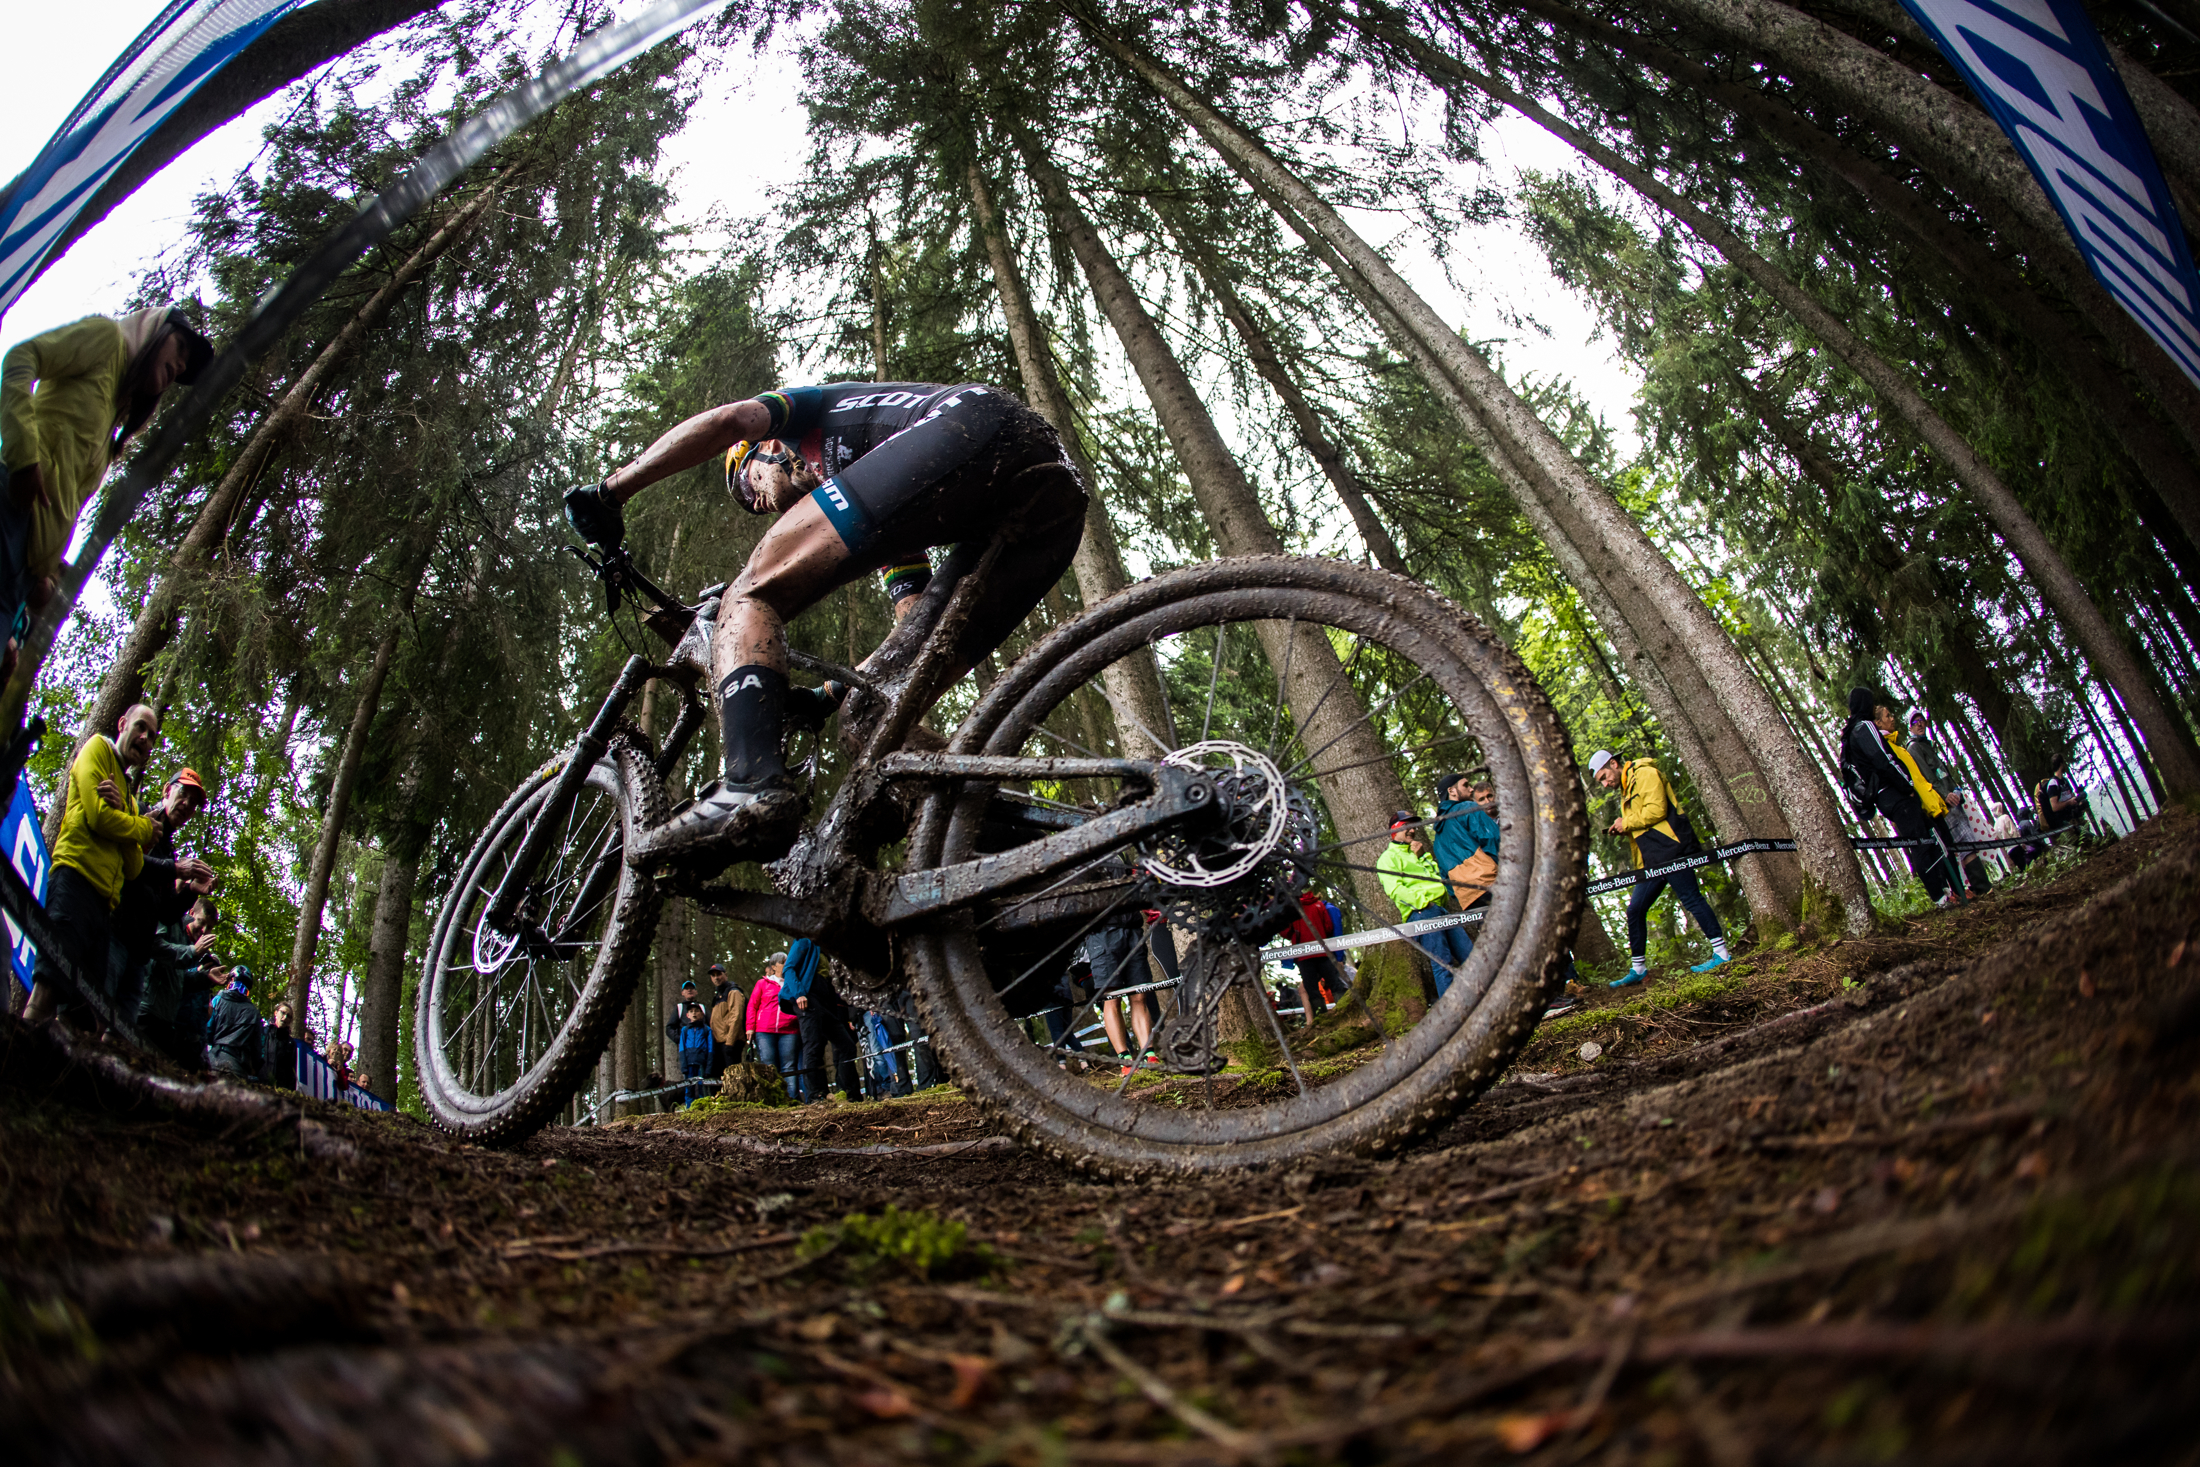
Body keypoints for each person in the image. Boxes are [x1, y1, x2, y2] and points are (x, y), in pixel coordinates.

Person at [561, 380, 1089, 869]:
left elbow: (727, 421)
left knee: (748, 593)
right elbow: (912, 638)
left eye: (747, 487)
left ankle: (750, 783)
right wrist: (828, 696)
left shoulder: (807, 415)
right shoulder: (888, 503)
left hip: (973, 423)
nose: (759, 504)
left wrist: (611, 492)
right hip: (1050, 501)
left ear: (764, 451)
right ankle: (1051, 853)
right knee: (873, 712)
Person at [0, 307, 213, 675]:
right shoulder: (106, 338)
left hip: (21, 571)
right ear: (153, 330)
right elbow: (22, 357)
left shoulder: (113, 417)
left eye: (182, 369)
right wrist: (23, 458)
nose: (178, 367)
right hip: (7, 510)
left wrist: (45, 576)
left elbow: (63, 496)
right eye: (179, 348)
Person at [22, 703, 165, 1028]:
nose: (145, 738)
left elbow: (132, 866)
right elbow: (99, 818)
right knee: (47, 989)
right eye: (141, 727)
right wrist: (141, 827)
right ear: (122, 723)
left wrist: (126, 818)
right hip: (74, 883)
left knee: (83, 1016)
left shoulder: (128, 798)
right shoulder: (97, 749)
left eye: (152, 736)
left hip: (104, 911)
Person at [1586, 750, 1731, 987]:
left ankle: (1722, 955)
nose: (1604, 784)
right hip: (1652, 860)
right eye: (1600, 781)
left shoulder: (1644, 773)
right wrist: (1622, 827)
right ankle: (1639, 969)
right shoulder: (1626, 787)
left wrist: (1627, 823)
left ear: (1613, 763)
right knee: (1635, 910)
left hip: (1671, 849)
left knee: (1691, 899)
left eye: (1604, 776)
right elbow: (1642, 823)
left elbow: (1657, 810)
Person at [112, 767, 217, 1030]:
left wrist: (191, 890)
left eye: (193, 804)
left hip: (139, 951)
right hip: (113, 933)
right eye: (183, 795)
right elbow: (127, 862)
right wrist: (174, 869)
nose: (186, 805)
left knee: (118, 1035)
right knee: (87, 1011)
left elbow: (167, 913)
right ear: (167, 791)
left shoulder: (168, 849)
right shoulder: (139, 813)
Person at [1837, 691, 1958, 905]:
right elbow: (1883, 759)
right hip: (1895, 795)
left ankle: (1945, 892)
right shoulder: (1864, 727)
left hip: (1886, 798)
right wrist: (1907, 785)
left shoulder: (1851, 733)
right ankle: (1940, 897)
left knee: (1924, 839)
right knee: (1920, 842)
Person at [1876, 703, 1969, 905]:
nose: (1892, 718)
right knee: (1928, 849)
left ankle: (1957, 891)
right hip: (1916, 804)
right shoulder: (1885, 747)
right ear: (1877, 722)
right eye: (1887, 715)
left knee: (1945, 846)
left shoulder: (1896, 745)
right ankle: (1945, 896)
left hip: (1928, 802)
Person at [1376, 811, 1471, 997]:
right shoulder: (1387, 858)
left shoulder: (1416, 852)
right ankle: (1452, 1017)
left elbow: (1435, 878)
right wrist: (1423, 904)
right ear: (1395, 830)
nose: (1412, 830)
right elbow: (1395, 890)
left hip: (1440, 909)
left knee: (1470, 955)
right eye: (1406, 826)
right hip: (1422, 913)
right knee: (1442, 963)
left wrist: (1422, 857)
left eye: (1413, 826)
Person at [138, 892, 220, 1068]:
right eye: (202, 922)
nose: (205, 931)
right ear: (191, 913)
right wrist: (192, 951)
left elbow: (180, 980)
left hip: (167, 1019)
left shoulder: (195, 946)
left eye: (210, 927)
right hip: (148, 1008)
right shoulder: (171, 922)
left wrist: (205, 978)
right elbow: (156, 950)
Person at [782, 937, 860, 1102]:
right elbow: (788, 969)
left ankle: (851, 1094)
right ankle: (817, 1095)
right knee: (813, 1046)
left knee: (847, 1046)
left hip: (825, 1002)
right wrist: (799, 993)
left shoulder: (828, 951)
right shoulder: (804, 941)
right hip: (807, 998)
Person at [1077, 919, 1158, 1074]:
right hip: (1101, 934)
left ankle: (1149, 1054)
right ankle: (1125, 1060)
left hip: (1132, 929)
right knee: (1112, 998)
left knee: (1139, 996)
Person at [1433, 772, 1501, 938]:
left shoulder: (1438, 837)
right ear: (1452, 791)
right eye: (1465, 785)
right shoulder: (1467, 809)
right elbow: (1492, 838)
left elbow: (1446, 879)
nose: (1471, 789)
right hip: (1491, 884)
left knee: (1498, 941)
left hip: (1469, 899)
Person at [746, 952, 801, 1095]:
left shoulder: (793, 983)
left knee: (789, 1066)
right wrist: (750, 1028)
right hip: (765, 1031)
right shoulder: (762, 983)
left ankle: (792, 1099)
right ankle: (773, 1098)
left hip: (789, 1030)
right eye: (783, 962)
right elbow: (752, 1006)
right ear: (774, 966)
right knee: (769, 1066)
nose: (786, 965)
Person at [206, 967, 264, 1079]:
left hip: (214, 1059)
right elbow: (257, 1047)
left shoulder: (217, 1001)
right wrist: (255, 1068)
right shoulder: (254, 1012)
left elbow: (208, 1031)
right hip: (238, 1066)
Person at [706, 963, 744, 1078]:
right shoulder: (718, 996)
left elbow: (736, 1016)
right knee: (719, 1078)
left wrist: (730, 1042)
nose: (716, 977)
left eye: (719, 974)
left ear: (725, 975)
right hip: (719, 1042)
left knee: (733, 1078)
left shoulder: (733, 992)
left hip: (731, 1042)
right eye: (713, 975)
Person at [676, 1002, 714, 1107]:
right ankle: (689, 1108)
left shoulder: (707, 1029)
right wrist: (683, 1065)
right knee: (689, 1089)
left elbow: (711, 1049)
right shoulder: (685, 1030)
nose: (694, 1013)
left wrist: (708, 1068)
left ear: (702, 1014)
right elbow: (682, 1048)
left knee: (703, 1087)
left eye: (697, 1011)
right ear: (687, 1015)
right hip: (689, 1063)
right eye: (691, 1011)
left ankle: (704, 1107)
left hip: (702, 1062)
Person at [2033, 761, 2086, 834]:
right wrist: (2069, 802)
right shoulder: (2052, 786)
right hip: (2060, 822)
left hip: (2065, 818)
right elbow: (2055, 807)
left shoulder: (2062, 782)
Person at [263, 994, 296, 1089]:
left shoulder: (291, 1043)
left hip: (280, 1089)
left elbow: (291, 1071)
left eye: (288, 1016)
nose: (285, 1017)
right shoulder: (263, 1033)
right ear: (275, 1013)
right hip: (260, 1084)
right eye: (283, 1013)